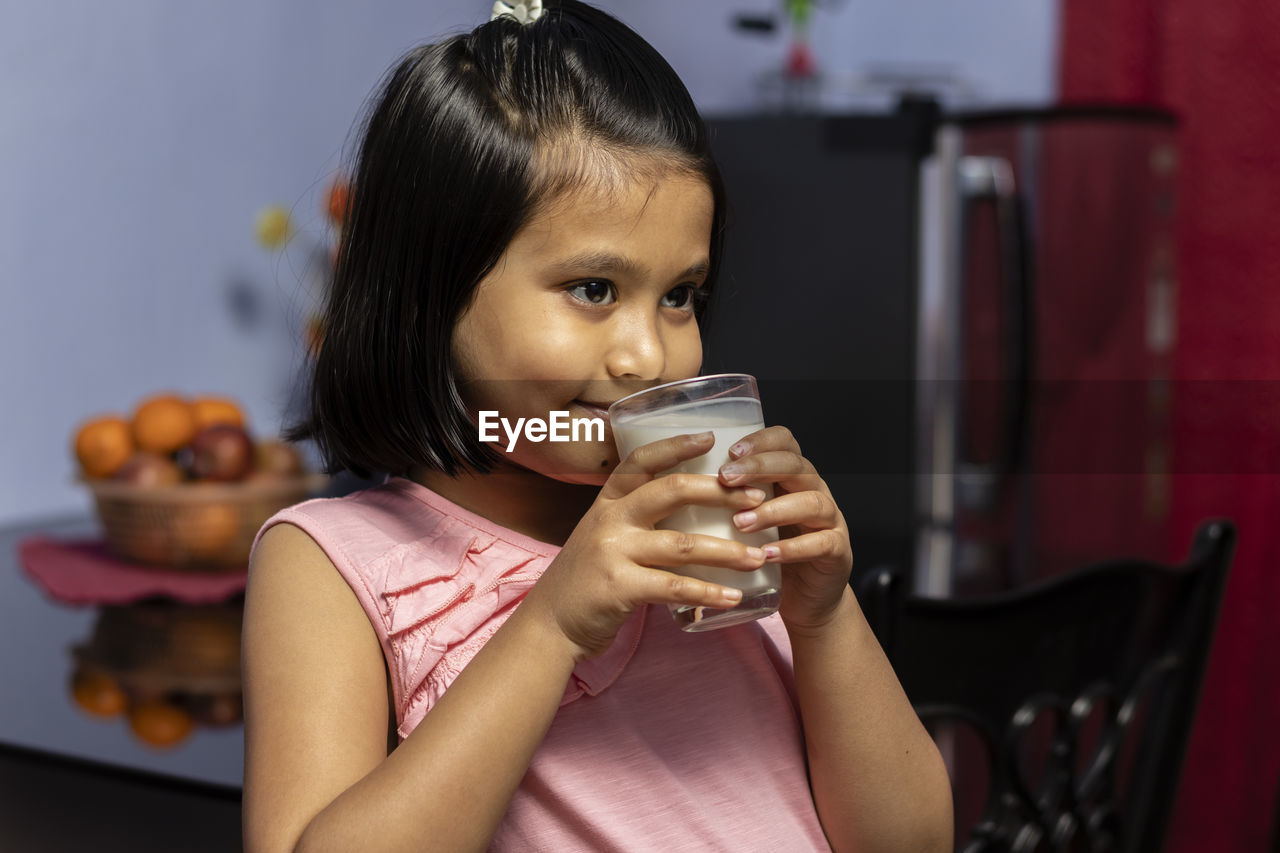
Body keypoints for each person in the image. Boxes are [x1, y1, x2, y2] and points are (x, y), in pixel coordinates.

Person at [241, 2, 953, 851]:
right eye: (593, 290)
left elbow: (911, 843)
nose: (648, 354)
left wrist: (825, 615)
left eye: (681, 295)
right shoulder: (336, 562)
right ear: (432, 294)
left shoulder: (708, 528)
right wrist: (553, 624)